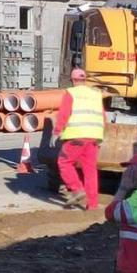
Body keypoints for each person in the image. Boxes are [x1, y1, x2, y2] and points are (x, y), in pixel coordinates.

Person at [52, 68, 106, 211]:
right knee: (90, 171)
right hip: (93, 137)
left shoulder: (71, 93)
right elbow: (103, 117)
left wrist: (56, 132)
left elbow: (64, 114)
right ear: (85, 80)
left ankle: (76, 189)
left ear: (73, 80)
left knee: (64, 162)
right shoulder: (95, 94)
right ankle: (93, 205)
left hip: (76, 136)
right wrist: (100, 137)